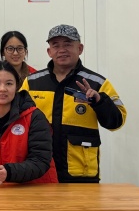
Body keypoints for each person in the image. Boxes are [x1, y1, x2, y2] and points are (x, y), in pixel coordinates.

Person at [21, 24, 127, 183]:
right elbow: (15, 118)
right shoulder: (32, 82)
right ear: (49, 51)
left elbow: (117, 122)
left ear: (80, 48)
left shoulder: (97, 83)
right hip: (40, 171)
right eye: (56, 45)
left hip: (81, 173)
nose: (61, 50)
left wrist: (99, 101)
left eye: (68, 44)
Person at [0, 61, 57, 184]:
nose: (2, 89)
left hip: (36, 189)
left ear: (17, 86)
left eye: (9, 83)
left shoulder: (34, 117)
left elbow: (40, 160)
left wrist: (10, 172)